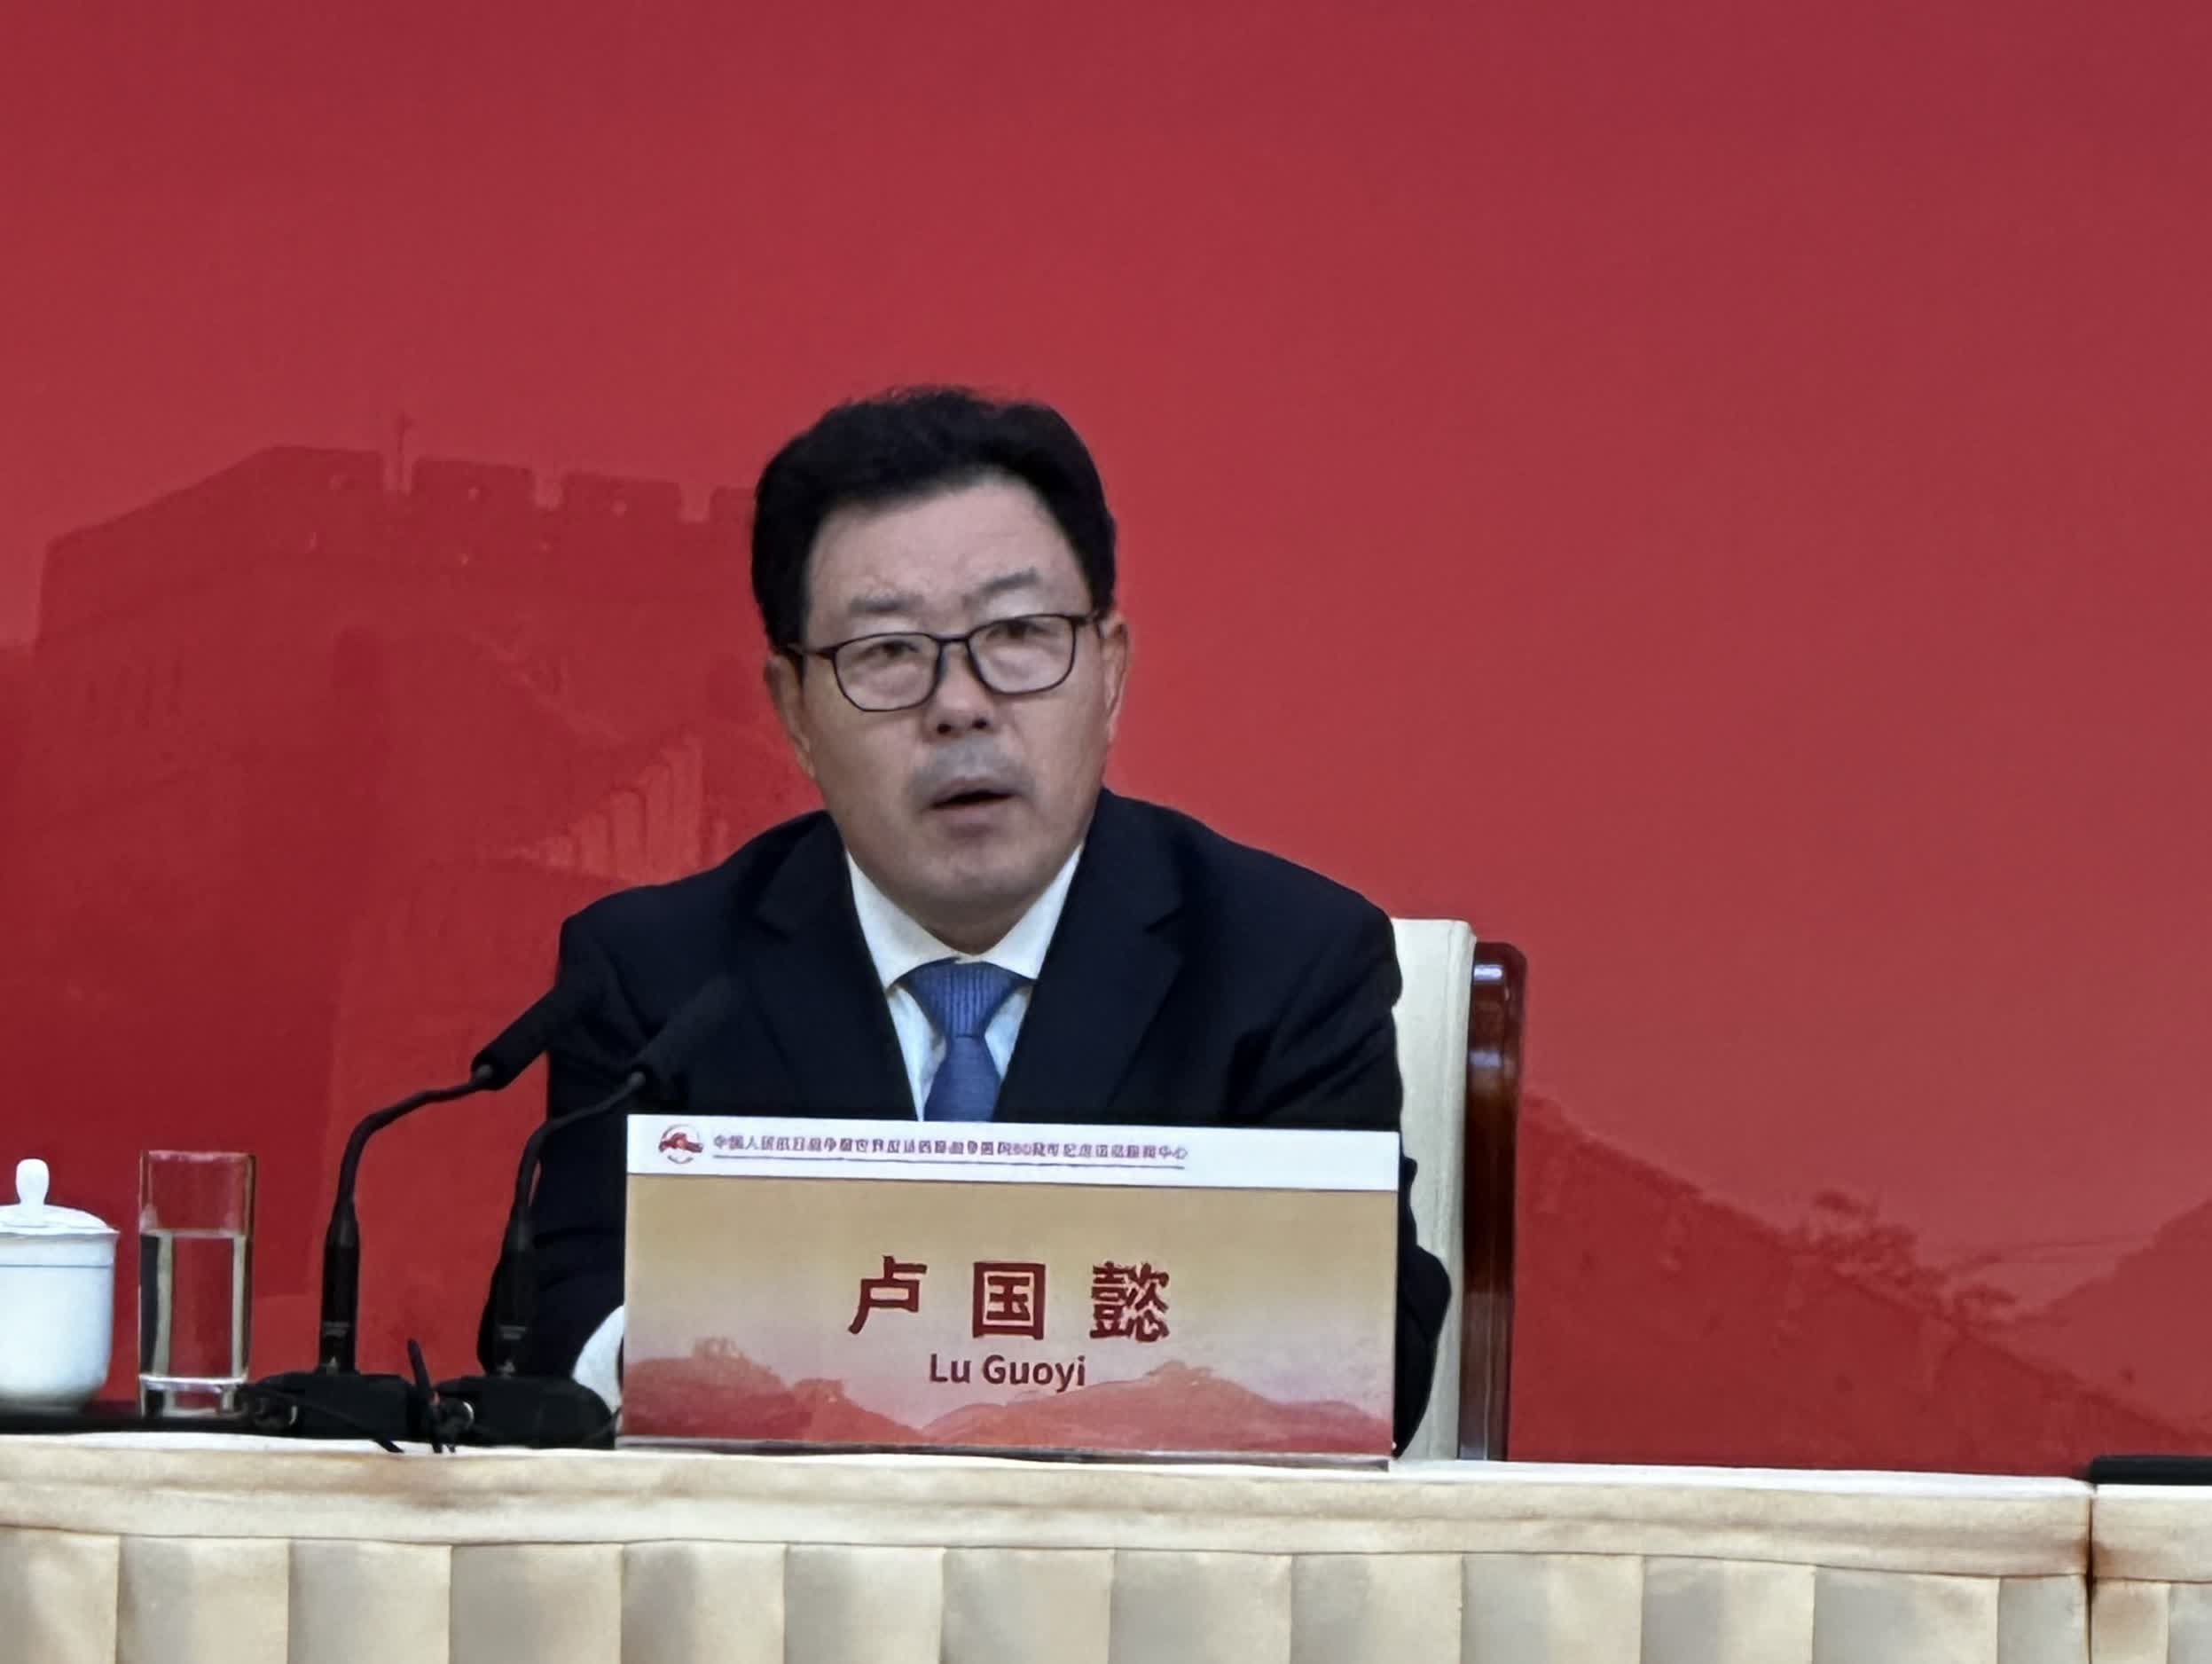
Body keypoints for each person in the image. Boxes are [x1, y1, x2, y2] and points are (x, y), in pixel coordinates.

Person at [498, 387, 1452, 1449]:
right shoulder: (658, 978)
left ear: (1109, 672)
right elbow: (565, 1331)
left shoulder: (1285, 961)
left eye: (1019, 634)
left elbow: (1370, 1348)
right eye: (887, 652)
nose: (959, 704)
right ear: (794, 712)